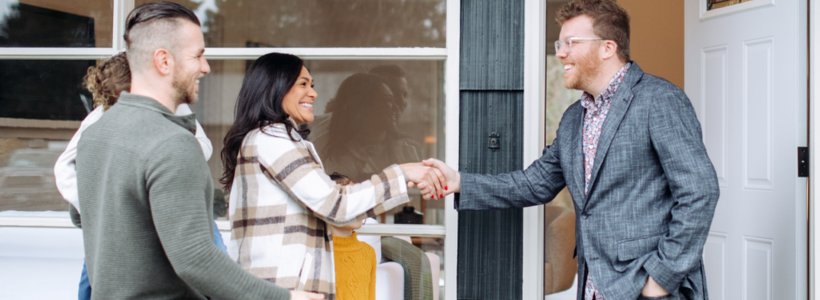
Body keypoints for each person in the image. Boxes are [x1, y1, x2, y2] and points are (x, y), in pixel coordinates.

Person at [421, 0, 719, 299]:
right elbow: (532, 184)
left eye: (570, 42)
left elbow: (699, 191)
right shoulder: (574, 118)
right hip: (591, 286)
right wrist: (459, 181)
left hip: (646, 288)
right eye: (559, 43)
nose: (560, 52)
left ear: (607, 47)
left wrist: (661, 279)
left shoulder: (660, 100)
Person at [70, 2, 321, 299]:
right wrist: (285, 298)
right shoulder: (171, 142)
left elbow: (81, 216)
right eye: (198, 55)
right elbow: (196, 260)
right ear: (164, 61)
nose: (206, 67)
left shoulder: (95, 134)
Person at [221, 53, 437, 298]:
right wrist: (402, 173)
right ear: (276, 88)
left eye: (312, 85)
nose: (313, 93)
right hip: (281, 289)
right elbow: (336, 204)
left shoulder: (278, 139)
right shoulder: (271, 139)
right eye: (302, 84)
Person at [54, 52, 227, 300]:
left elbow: (204, 145)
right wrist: (95, 207)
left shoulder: (173, 108)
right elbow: (64, 166)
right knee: (94, 273)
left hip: (176, 203)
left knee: (213, 252)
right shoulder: (99, 119)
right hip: (121, 215)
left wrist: (171, 153)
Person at [316, 73, 421, 182]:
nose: (396, 107)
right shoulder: (335, 157)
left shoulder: (408, 150)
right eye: (387, 100)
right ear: (362, 107)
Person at [327, 173, 377, 300]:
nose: (358, 208)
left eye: (359, 201)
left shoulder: (368, 252)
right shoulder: (318, 252)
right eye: (349, 201)